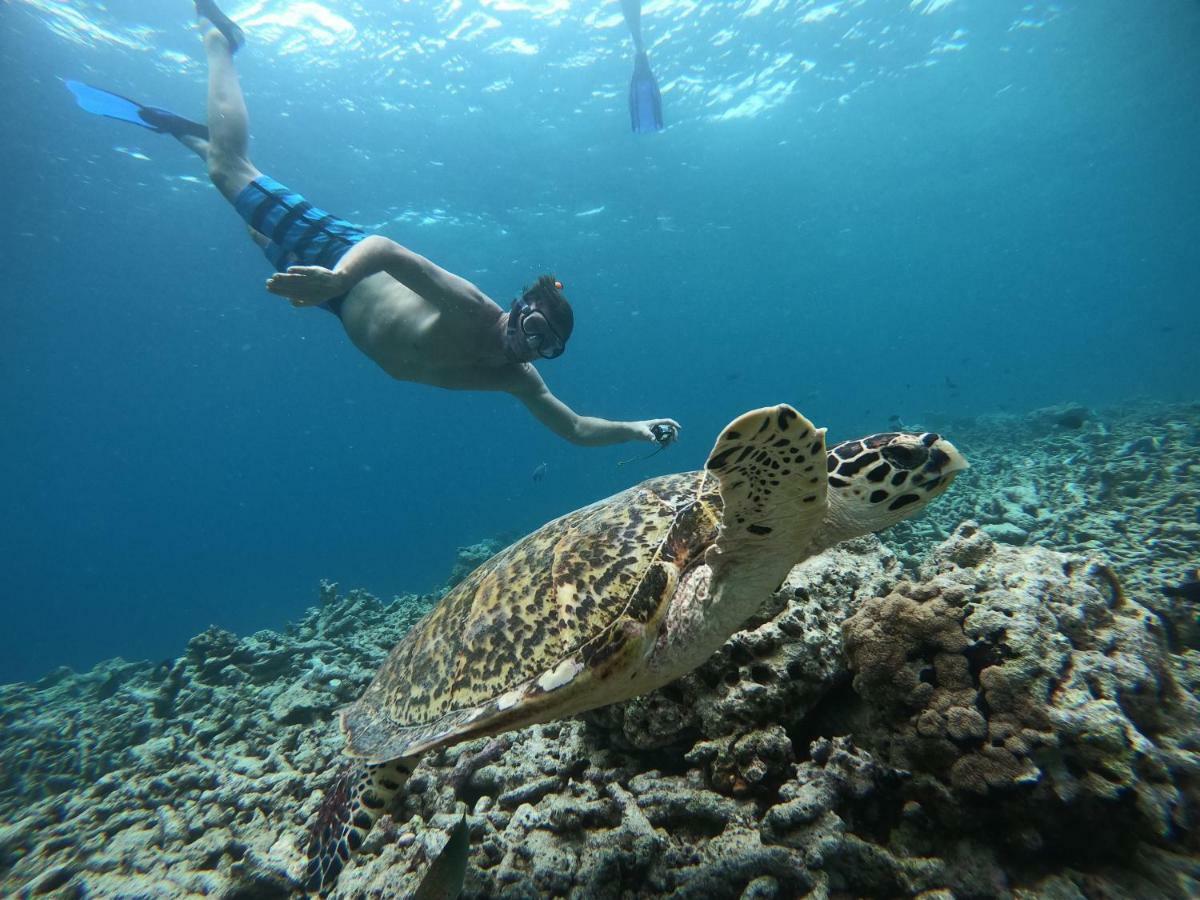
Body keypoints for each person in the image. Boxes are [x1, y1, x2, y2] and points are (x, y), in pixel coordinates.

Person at [68, 1, 680, 449]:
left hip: (333, 301)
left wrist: (635, 428)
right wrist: (337, 280)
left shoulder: (514, 380)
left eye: (547, 348)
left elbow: (572, 427)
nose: (530, 347)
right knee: (232, 172)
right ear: (520, 308)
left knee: (247, 216)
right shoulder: (473, 308)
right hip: (336, 257)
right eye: (535, 328)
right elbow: (385, 248)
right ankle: (218, 41)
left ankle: (198, 141)